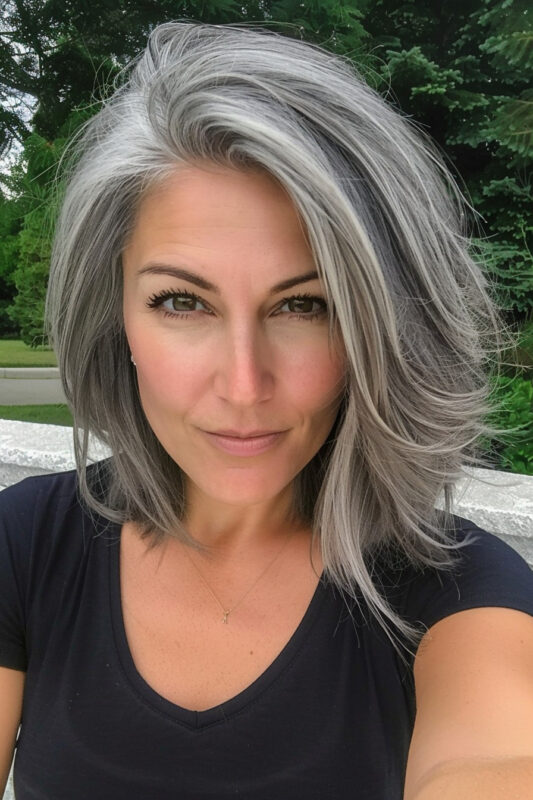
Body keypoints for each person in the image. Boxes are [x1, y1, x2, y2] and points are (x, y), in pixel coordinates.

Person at [1, 20, 532, 800]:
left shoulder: (458, 588)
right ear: (116, 313)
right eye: (181, 301)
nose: (244, 385)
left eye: (304, 306)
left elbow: (492, 761)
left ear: (378, 328)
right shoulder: (25, 543)